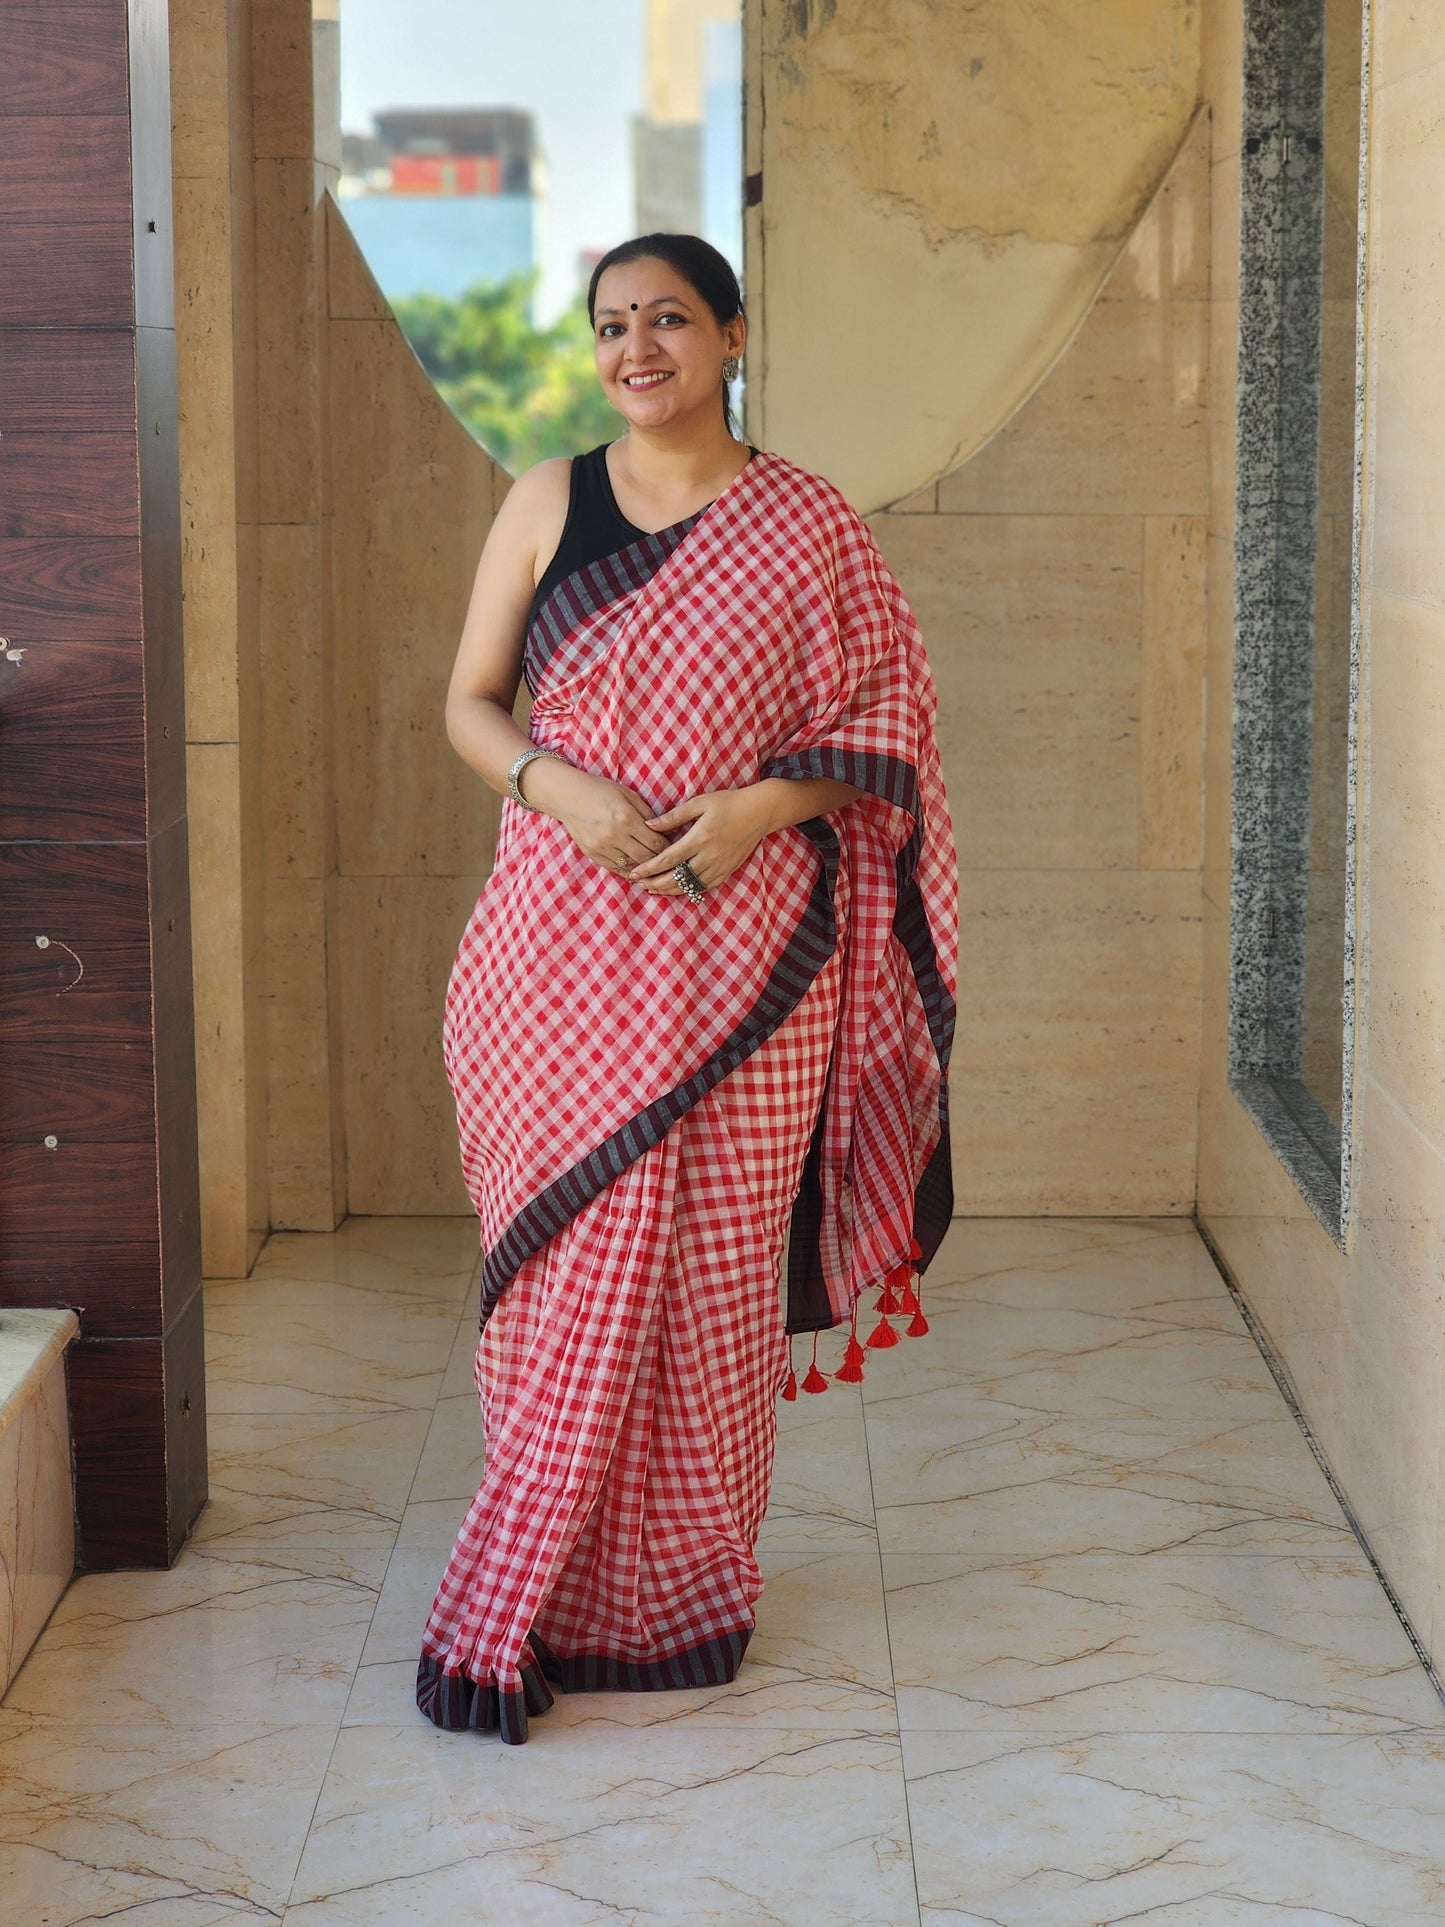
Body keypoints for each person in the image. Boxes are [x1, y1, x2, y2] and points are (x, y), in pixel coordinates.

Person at [417, 233, 957, 1744]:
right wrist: (556, 785)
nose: (633, 347)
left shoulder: (806, 524)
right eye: (608, 325)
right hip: (557, 952)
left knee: (714, 1288)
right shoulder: (547, 500)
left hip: (750, 963)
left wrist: (758, 810)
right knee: (566, 1280)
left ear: (730, 332)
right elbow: (468, 702)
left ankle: (681, 1594)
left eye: (665, 319)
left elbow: (891, 705)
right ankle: (532, 1585)